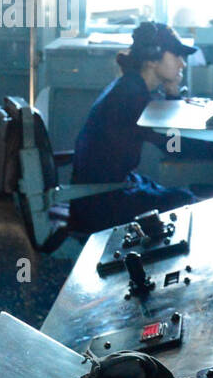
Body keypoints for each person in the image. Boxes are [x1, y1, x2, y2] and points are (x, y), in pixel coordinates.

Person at [68, 22, 198, 234]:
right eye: (176, 55)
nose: (182, 64)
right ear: (152, 59)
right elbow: (174, 147)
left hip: (105, 192)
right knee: (185, 201)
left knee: (178, 196)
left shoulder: (129, 86)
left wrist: (172, 93)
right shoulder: (132, 97)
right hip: (102, 203)